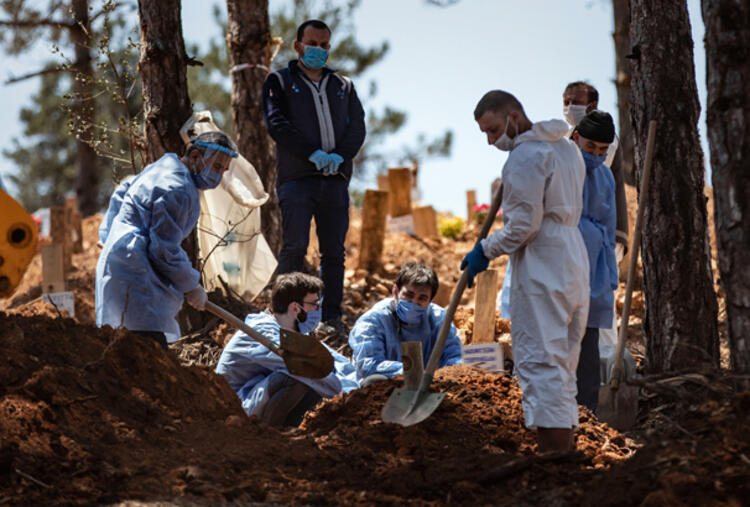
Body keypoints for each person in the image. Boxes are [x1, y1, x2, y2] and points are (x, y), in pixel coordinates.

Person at [462, 90, 589, 453]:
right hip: (572, 255)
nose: (491, 140)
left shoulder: (524, 157)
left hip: (543, 262)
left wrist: (483, 252)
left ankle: (552, 454)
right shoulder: (566, 149)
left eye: (493, 129)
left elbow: (523, 228)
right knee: (563, 360)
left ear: (513, 117)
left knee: (539, 359)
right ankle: (563, 448)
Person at [262, 19, 366, 336]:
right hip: (297, 179)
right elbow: (276, 124)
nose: (318, 50)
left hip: (335, 180)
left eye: (324, 45)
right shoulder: (278, 82)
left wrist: (340, 156)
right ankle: (283, 316)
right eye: (312, 44)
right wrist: (313, 153)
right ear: (298, 46)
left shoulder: (343, 86)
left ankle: (331, 319)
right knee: (294, 247)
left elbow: (357, 127)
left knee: (333, 253)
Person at [95, 131, 239, 348]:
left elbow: (122, 190)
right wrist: (191, 286)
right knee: (147, 347)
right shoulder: (179, 189)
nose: (218, 177)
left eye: (223, 170)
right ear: (196, 156)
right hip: (134, 273)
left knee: (127, 346)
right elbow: (163, 250)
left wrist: (108, 237)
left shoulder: (165, 166)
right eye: (217, 167)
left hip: (121, 261)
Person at [215, 272, 359, 427]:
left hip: (255, 396)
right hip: (235, 408)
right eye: (315, 305)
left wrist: (356, 388)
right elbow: (300, 365)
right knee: (297, 376)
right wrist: (339, 391)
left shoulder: (290, 334)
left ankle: (289, 428)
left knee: (314, 382)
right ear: (296, 308)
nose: (318, 310)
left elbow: (333, 360)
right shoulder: (261, 331)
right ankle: (268, 432)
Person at [571, 111, 619, 414]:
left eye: (603, 150)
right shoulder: (562, 168)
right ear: (576, 138)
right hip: (564, 262)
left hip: (594, 267)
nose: (597, 156)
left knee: (588, 346)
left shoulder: (606, 175)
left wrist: (610, 272)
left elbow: (610, 225)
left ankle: (586, 415)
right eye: (591, 148)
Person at [348, 262, 463, 385]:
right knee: (373, 381)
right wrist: (412, 372)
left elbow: (454, 355)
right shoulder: (374, 320)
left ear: (430, 301)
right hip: (389, 385)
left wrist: (446, 374)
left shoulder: (438, 319)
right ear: (395, 292)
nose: (414, 302)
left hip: (428, 387)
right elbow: (368, 365)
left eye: (422, 298)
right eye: (409, 295)